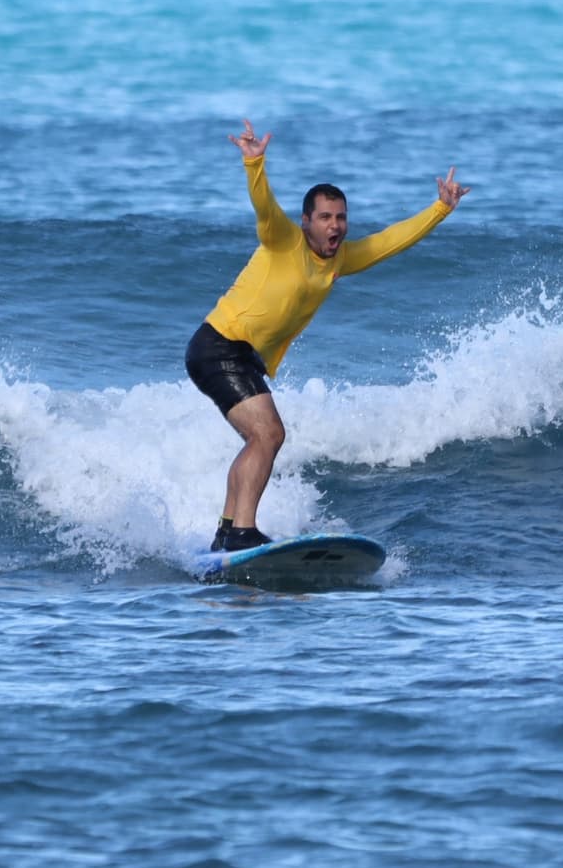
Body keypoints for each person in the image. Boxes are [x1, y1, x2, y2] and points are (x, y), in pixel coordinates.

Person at [185, 120, 470, 552]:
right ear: (306, 222)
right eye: (324, 217)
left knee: (260, 438)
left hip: (239, 354)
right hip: (218, 345)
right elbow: (264, 206)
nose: (334, 225)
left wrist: (440, 209)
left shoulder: (340, 260)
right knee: (269, 435)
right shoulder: (283, 240)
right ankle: (240, 531)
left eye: (340, 217)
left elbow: (390, 241)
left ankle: (228, 531)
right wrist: (254, 163)